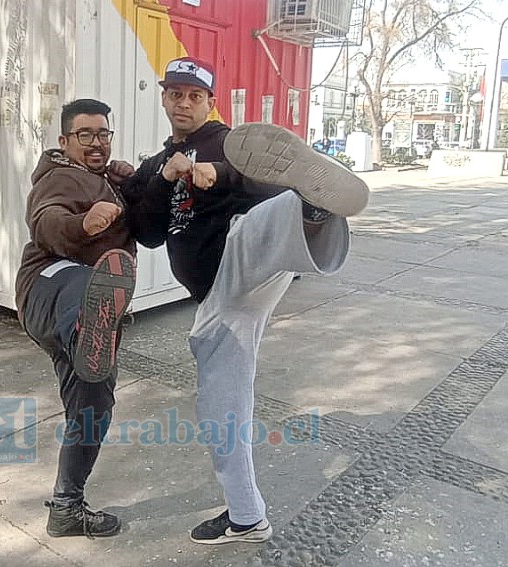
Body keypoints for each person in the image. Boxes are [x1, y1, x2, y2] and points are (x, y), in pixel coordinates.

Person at [120, 57, 369, 545]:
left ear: (210, 102)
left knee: (255, 225)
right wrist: (164, 179)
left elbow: (267, 179)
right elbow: (147, 233)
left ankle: (312, 207)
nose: (185, 103)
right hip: (219, 299)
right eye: (177, 94)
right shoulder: (157, 163)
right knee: (221, 408)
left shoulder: (230, 143)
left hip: (239, 263)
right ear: (164, 97)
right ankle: (247, 515)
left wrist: (223, 174)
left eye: (196, 96)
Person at [15, 98, 137, 538]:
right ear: (65, 142)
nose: (96, 142)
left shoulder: (109, 180)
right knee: (86, 281)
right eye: (85, 135)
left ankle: (67, 508)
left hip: (79, 318)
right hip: (49, 287)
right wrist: (82, 225)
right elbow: (46, 219)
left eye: (103, 133)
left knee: (93, 408)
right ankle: (91, 323)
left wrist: (135, 180)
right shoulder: (60, 177)